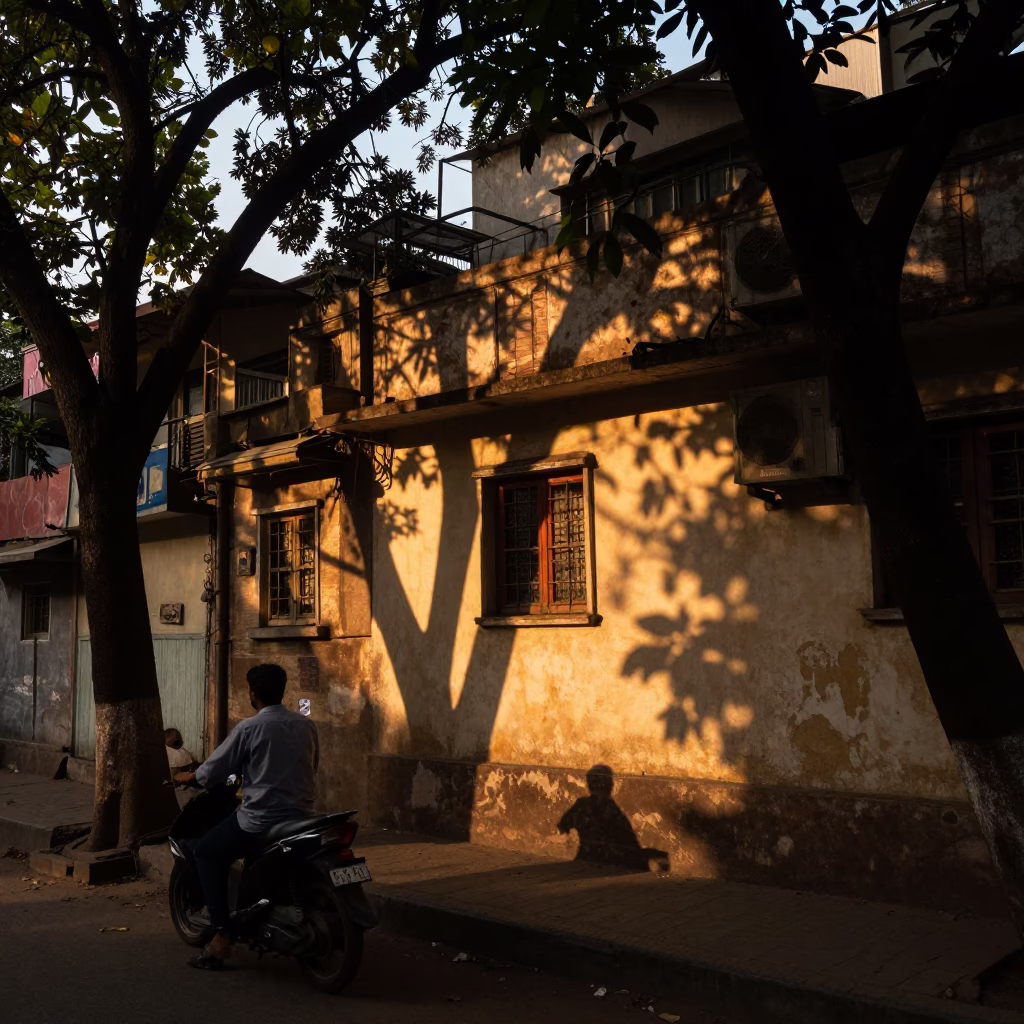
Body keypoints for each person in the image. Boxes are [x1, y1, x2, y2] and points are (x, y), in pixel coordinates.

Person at [173, 663, 319, 970]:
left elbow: (215, 769)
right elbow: (312, 765)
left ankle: (221, 936)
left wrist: (190, 777)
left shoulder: (249, 728)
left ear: (252, 693)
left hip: (260, 820)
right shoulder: (305, 725)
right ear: (283, 690)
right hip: (302, 816)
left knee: (207, 852)